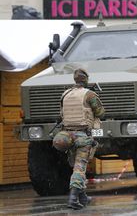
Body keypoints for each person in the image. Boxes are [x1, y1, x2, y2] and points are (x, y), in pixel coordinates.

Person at [52, 68, 105, 210]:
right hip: (82, 136)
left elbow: (61, 115)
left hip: (67, 135)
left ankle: (82, 197)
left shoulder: (65, 94)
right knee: (80, 167)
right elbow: (101, 112)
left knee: (74, 166)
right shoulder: (89, 94)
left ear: (75, 80)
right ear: (86, 80)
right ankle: (73, 199)